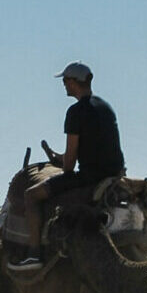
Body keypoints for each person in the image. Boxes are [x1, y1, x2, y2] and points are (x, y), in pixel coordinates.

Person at [20, 62, 124, 250]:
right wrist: (61, 157)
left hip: (90, 178)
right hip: (114, 174)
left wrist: (62, 161)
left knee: (30, 195)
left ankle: (33, 254)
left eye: (66, 80)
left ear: (74, 81)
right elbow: (92, 147)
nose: (64, 84)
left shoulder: (75, 112)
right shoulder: (105, 106)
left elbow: (69, 166)